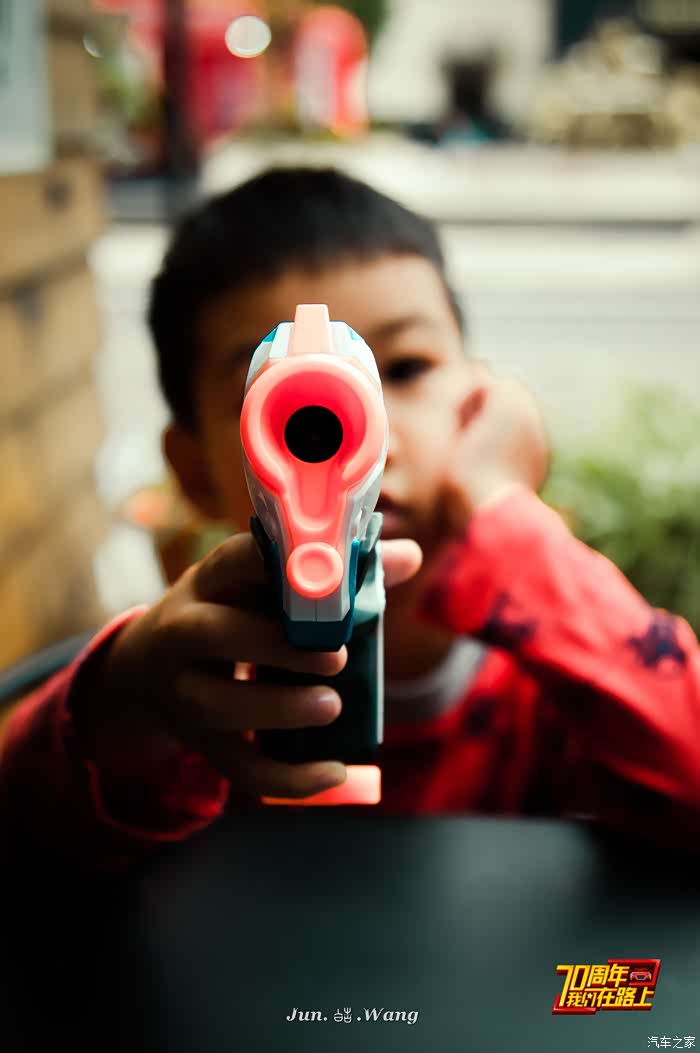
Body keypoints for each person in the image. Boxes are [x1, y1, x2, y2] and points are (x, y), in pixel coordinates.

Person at [1, 167, 699, 875]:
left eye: (406, 368)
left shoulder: (557, 676)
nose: (368, 438)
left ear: (480, 405)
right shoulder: (186, 689)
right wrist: (123, 704)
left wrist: (503, 510)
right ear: (196, 470)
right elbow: (22, 821)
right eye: (294, 405)